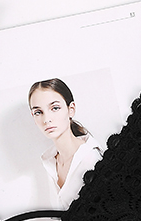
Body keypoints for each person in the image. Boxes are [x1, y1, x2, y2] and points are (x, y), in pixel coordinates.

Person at [28, 78, 103, 208]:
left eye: (55, 108)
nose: (46, 119)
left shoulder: (92, 159)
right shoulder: (49, 162)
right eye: (38, 112)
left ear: (71, 109)